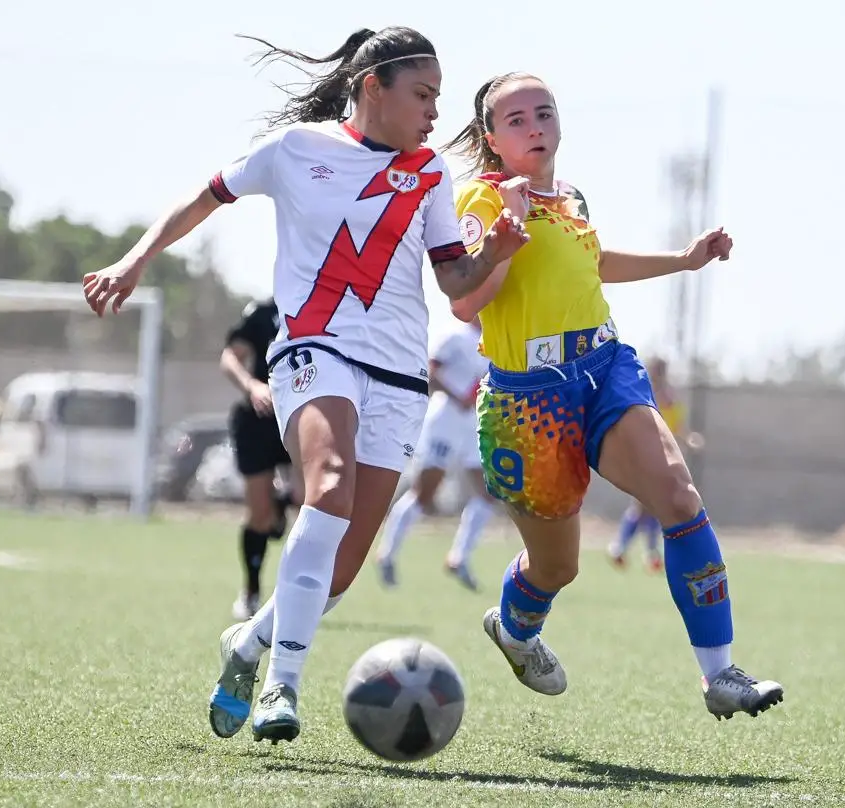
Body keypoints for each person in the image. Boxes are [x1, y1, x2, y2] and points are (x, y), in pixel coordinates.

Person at [82, 27, 528, 745]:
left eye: (439, 98)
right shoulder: (298, 150)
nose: (434, 114)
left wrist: (495, 252)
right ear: (372, 86)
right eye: (423, 95)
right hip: (314, 352)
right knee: (328, 485)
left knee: (342, 568)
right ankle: (282, 687)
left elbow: (454, 280)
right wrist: (136, 260)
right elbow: (206, 195)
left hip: (399, 377)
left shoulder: (429, 175)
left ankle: (247, 646)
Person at [442, 72, 784, 722]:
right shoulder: (481, 200)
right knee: (556, 569)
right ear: (491, 137)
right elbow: (464, 303)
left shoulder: (571, 196)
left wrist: (681, 261)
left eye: (544, 112)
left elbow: (594, 263)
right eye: (515, 119)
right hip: (526, 403)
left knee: (678, 497)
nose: (535, 125)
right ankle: (515, 630)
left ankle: (720, 675)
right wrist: (505, 236)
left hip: (605, 368)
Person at [375, 314, 495, 591]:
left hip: (475, 424)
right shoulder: (455, 335)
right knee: (425, 492)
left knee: (489, 492)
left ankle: (459, 558)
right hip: (445, 421)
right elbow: (430, 372)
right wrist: (457, 397)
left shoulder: (495, 341)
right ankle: (387, 553)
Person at [220, 296, 297, 620]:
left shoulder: (329, 303)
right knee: (260, 515)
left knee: (310, 498)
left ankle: (296, 595)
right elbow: (230, 357)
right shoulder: (263, 312)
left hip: (304, 414)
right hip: (260, 420)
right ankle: (251, 590)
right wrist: (252, 386)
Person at [607, 356, 684, 573]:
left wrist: (687, 439)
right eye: (658, 370)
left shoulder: (667, 397)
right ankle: (634, 550)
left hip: (661, 456)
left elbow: (675, 425)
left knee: (650, 506)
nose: (660, 374)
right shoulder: (643, 390)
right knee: (646, 504)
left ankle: (629, 549)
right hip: (643, 454)